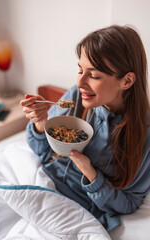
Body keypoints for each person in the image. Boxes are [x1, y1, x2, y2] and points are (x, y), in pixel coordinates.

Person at [20, 25, 150, 232]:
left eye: (94, 75)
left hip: (79, 210)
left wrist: (90, 172)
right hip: (42, 183)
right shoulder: (76, 97)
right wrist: (40, 122)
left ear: (127, 80)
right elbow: (42, 151)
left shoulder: (144, 135)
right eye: (80, 70)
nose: (80, 82)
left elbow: (129, 203)